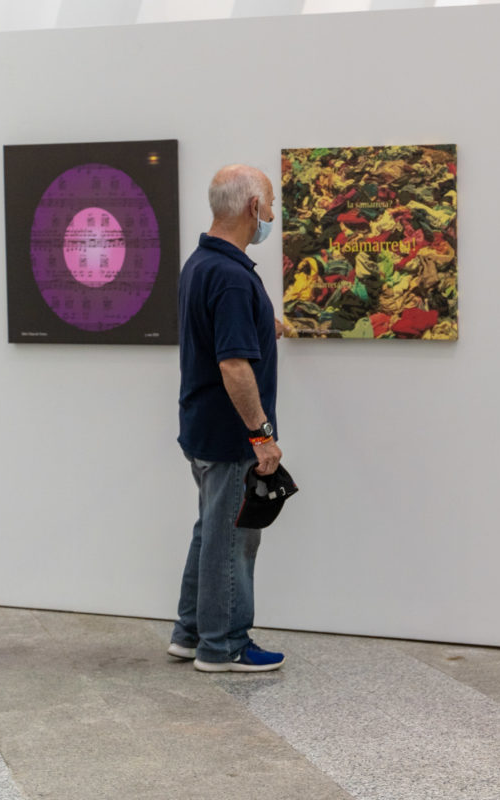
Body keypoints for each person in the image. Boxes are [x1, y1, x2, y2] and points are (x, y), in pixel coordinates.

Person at [168, 164, 287, 673]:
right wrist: (261, 435)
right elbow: (234, 364)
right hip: (230, 434)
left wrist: (266, 324)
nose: (273, 214)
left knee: (211, 531)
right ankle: (225, 645)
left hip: (201, 426)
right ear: (251, 207)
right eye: (271, 203)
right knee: (234, 539)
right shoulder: (233, 276)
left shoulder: (202, 263)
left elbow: (225, 331)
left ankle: (190, 633)